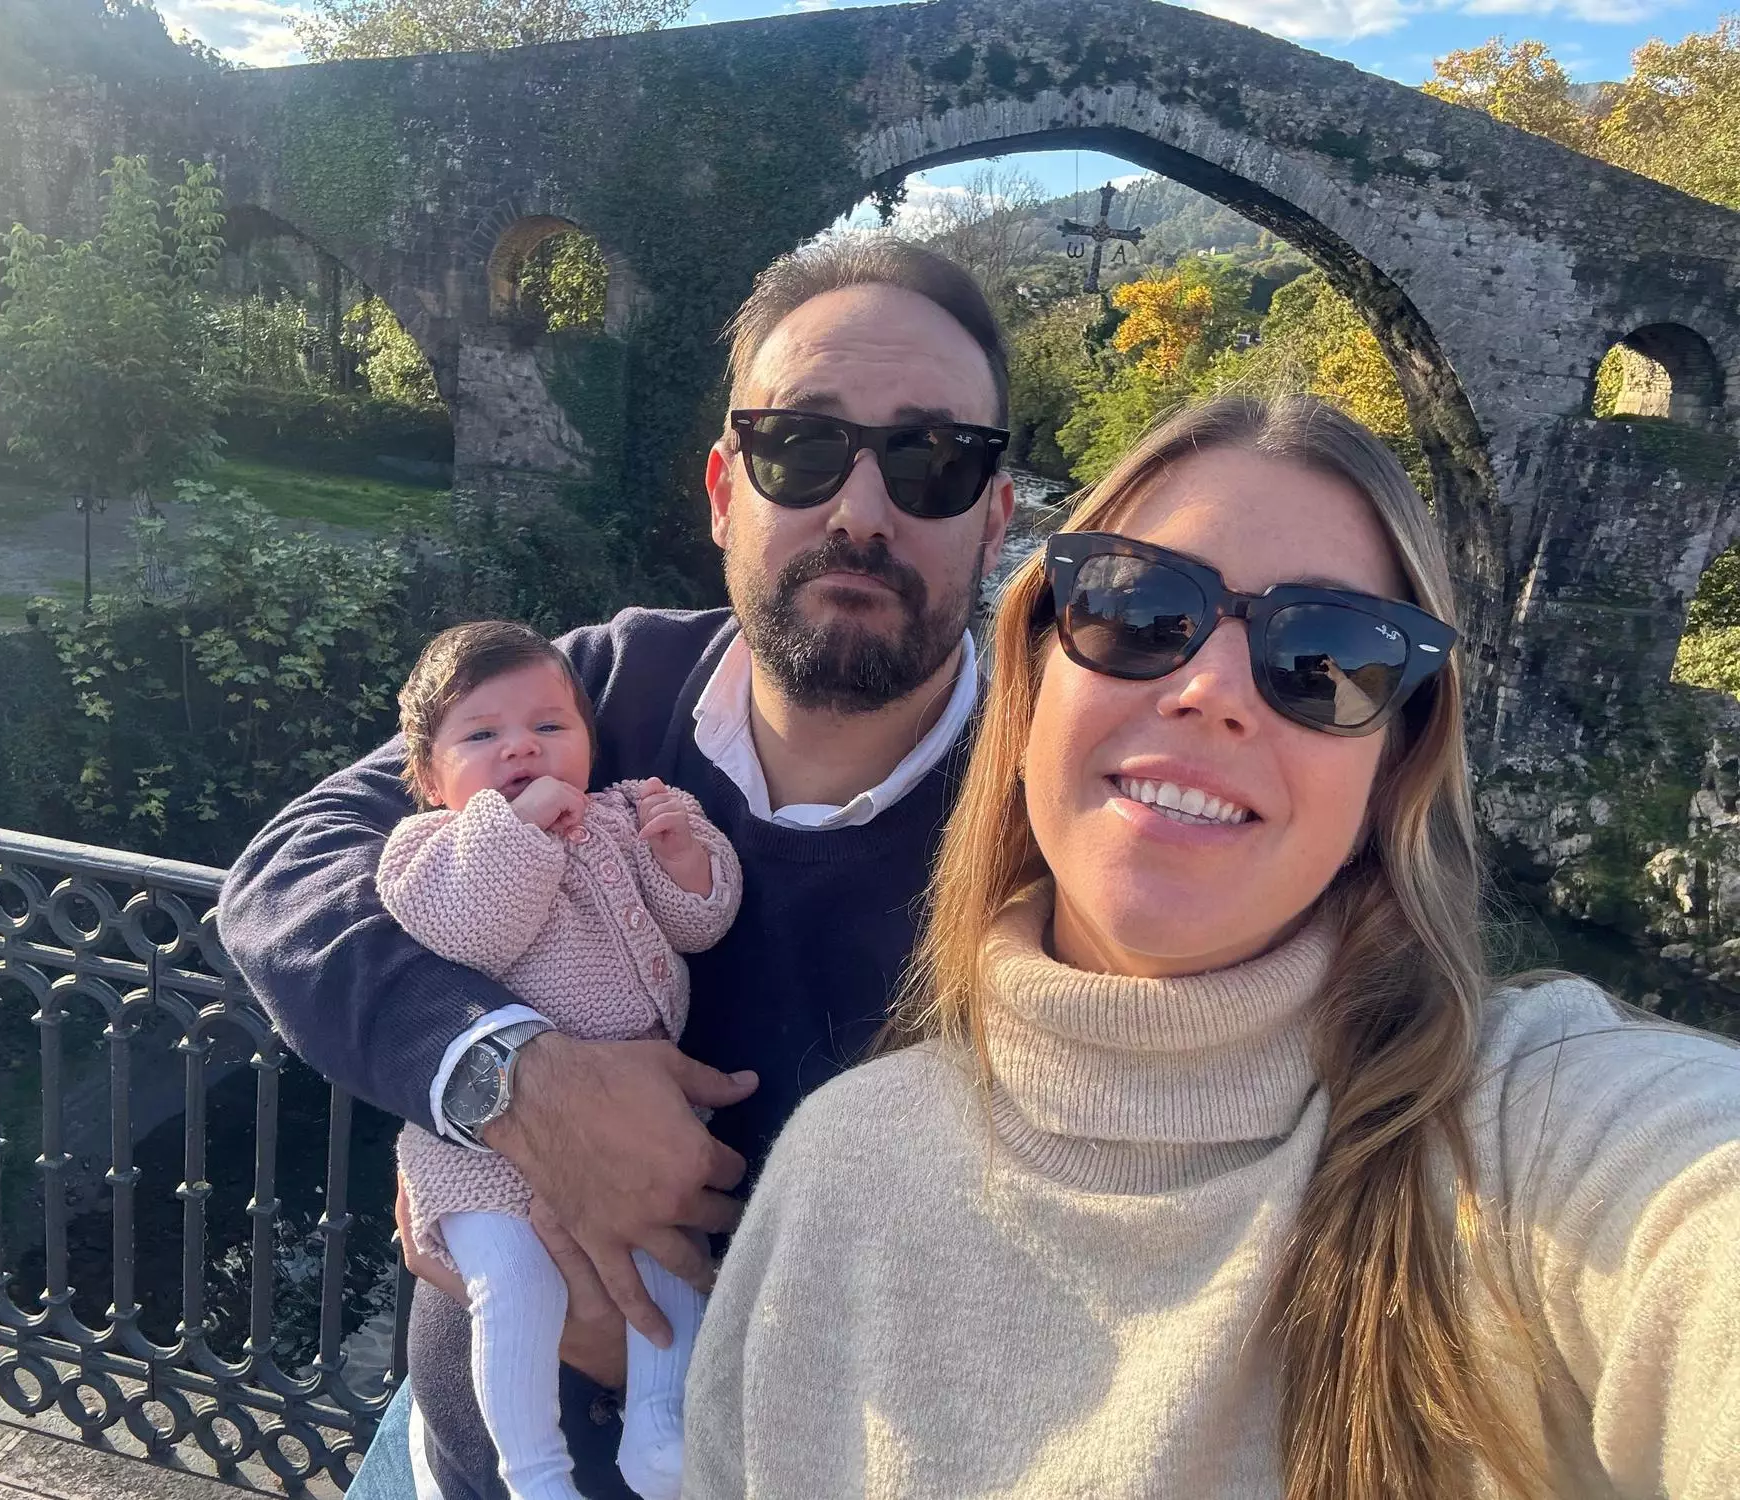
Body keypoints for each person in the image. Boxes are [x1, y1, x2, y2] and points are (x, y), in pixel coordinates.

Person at [684, 394, 1740, 1499]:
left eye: (1327, 654)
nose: (1210, 693)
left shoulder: (1532, 1142)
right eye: (1138, 608)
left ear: (1392, 768)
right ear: (1032, 681)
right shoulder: (836, 1169)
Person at [215, 235, 1015, 1498]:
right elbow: (289, 871)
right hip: (442, 1464)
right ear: (723, 490)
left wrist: (639, 1328)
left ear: (996, 514)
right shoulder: (598, 687)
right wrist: (506, 1078)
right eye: (801, 447)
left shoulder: (1054, 819)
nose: (859, 513)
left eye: (930, 459)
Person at [378, 620, 742, 1500]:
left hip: (642, 1128)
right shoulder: (428, 850)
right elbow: (472, 932)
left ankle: (661, 1425)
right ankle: (533, 1471)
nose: (521, 748)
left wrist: (682, 856)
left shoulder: (622, 814)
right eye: (482, 735)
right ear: (429, 778)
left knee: (671, 1261)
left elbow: (700, 925)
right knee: (511, 1287)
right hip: (484, 1148)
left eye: (549, 727)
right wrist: (523, 830)